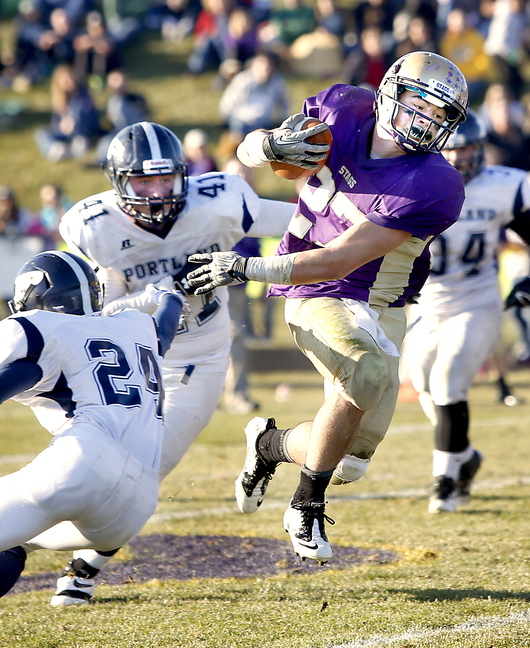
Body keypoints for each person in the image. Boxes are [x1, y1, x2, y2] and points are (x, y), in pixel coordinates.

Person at [187, 52, 469, 563]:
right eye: (418, 104)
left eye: (438, 116)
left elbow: (342, 257)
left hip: (378, 302)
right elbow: (262, 154)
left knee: (348, 462)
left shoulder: (436, 183)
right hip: (314, 289)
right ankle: (304, 503)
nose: (425, 121)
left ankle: (269, 445)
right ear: (390, 93)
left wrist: (245, 268)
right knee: (364, 372)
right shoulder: (343, 110)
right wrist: (266, 144)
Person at [51, 121, 296, 604]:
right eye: (143, 181)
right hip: (128, 357)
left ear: (183, 175)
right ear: (119, 182)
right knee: (91, 464)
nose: (158, 192)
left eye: (165, 179)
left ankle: (83, 565)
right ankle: (32, 533)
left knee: (145, 473)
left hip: (198, 358)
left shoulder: (220, 201)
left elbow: (306, 219)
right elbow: (99, 311)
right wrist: (158, 296)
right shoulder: (92, 228)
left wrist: (370, 221)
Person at [0, 250, 184, 623]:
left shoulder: (45, 331)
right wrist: (170, 298)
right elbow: (164, 328)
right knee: (16, 536)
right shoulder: (134, 326)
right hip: (133, 507)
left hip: (84, 459)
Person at [402, 111, 530, 513]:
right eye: (449, 145)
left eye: (465, 145)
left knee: (449, 380)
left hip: (478, 299)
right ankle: (464, 456)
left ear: (481, 146)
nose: (457, 154)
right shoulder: (414, 180)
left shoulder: (503, 185)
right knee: (425, 385)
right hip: (427, 303)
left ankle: (445, 483)